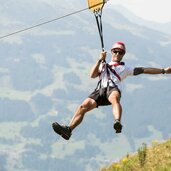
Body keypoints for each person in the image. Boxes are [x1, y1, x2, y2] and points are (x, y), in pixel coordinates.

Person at [52, 42, 171, 140]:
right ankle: (69, 130)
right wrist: (99, 60)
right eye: (115, 51)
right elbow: (92, 75)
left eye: (120, 52)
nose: (117, 54)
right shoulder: (103, 64)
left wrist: (163, 70)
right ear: (112, 52)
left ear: (123, 54)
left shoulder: (125, 68)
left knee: (114, 98)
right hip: (100, 90)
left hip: (113, 89)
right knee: (83, 106)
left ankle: (117, 121)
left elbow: (145, 70)